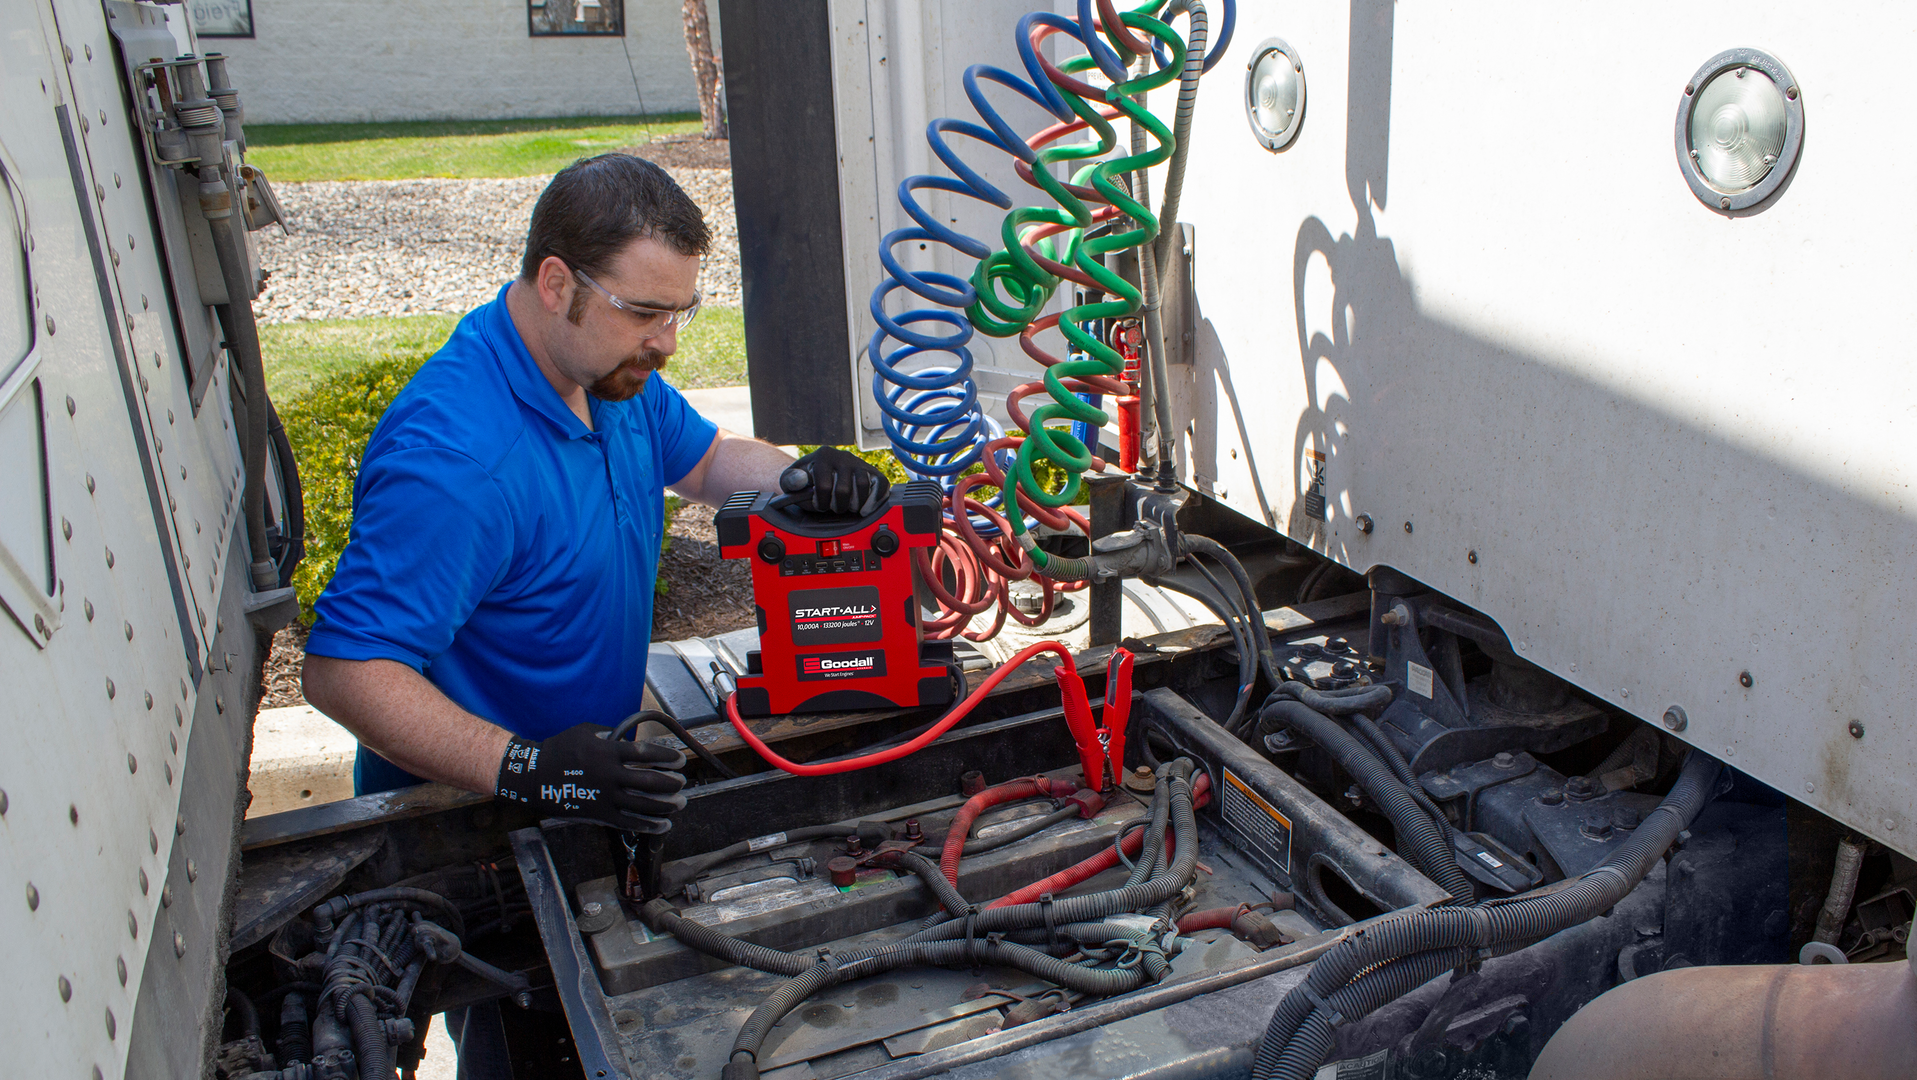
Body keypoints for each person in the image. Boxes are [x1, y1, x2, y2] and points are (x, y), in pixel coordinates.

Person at [301, 153, 888, 829]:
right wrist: (526, 768)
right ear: (556, 282)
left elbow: (704, 461)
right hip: (467, 810)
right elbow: (346, 671)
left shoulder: (606, 375)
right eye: (643, 312)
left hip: (593, 782)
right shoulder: (456, 462)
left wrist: (798, 475)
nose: (666, 343)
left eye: (679, 313)